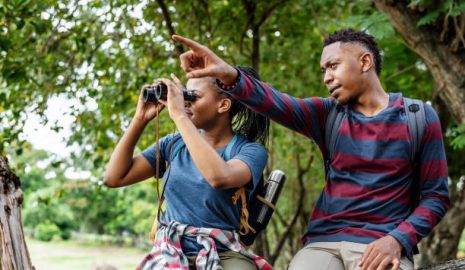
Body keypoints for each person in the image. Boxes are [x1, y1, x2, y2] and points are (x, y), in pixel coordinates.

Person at [171, 28, 450, 270]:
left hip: (380, 243)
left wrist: (398, 240)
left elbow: (436, 197)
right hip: (323, 244)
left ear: (365, 62)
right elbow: (274, 102)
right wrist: (228, 75)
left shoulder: (418, 117)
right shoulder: (327, 114)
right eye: (323, 70)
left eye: (333, 66)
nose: (327, 77)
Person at [103, 67, 272, 270]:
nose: (185, 101)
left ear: (223, 105)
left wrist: (179, 116)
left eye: (193, 96)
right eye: (184, 94)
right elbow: (114, 178)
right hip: (170, 251)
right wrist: (140, 119)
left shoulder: (250, 151)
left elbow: (219, 177)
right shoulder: (173, 144)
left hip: (224, 253)